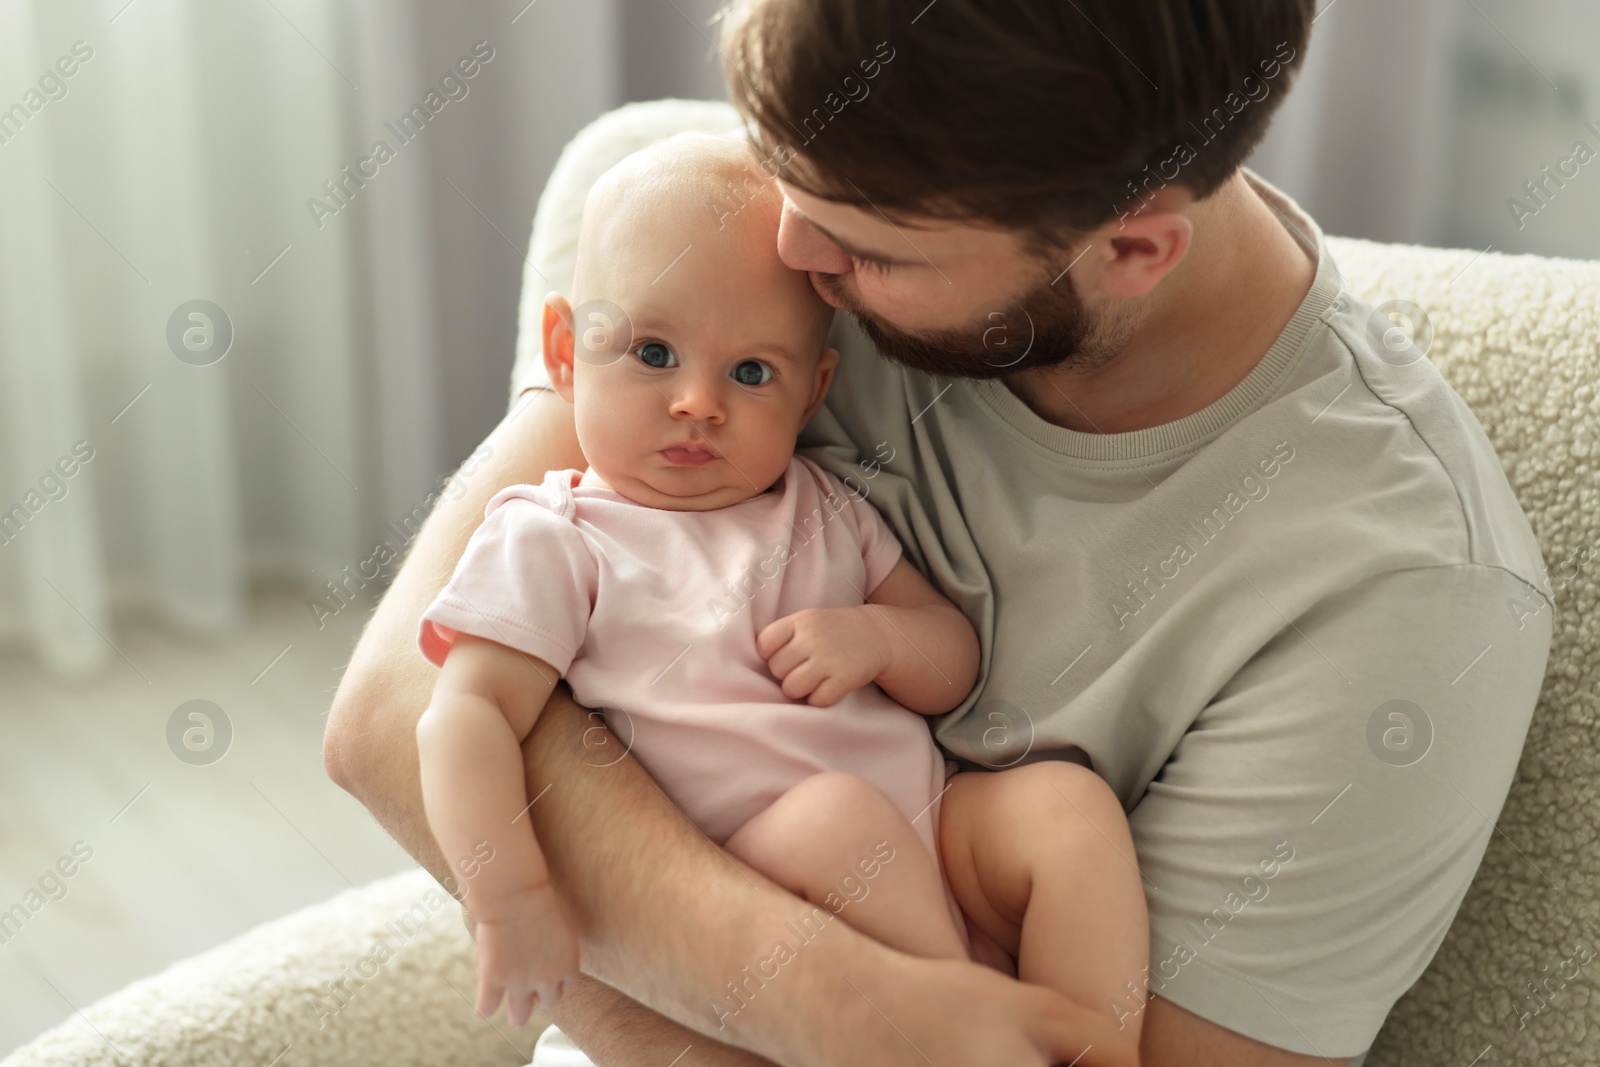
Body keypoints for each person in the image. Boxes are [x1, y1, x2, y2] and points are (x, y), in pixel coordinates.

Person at [324, 1, 1555, 1064]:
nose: (791, 253)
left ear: (1131, 246)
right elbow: (395, 718)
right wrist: (833, 1000)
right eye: (784, 171)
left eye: (867, 248)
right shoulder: (760, 234)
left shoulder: (1402, 590)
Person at [413, 131, 1146, 1058]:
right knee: (835, 820)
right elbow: (462, 716)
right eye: (651, 352)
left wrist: (878, 639)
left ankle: (1095, 1046)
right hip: (761, 882)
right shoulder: (561, 537)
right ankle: (960, 1025)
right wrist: (508, 896)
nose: (697, 403)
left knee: (1066, 806)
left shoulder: (824, 505)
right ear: (565, 350)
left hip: (933, 837)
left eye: (752, 373)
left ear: (811, 394)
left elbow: (950, 658)